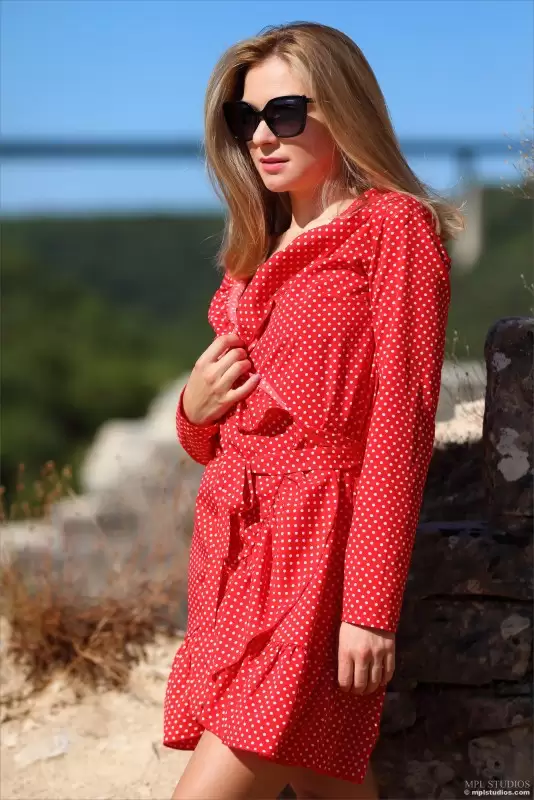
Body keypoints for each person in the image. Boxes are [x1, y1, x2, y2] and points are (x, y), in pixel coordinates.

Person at [162, 20, 465, 800]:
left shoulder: (393, 228)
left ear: (343, 109)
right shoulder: (256, 245)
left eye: (286, 112)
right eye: (245, 118)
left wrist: (368, 607)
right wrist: (193, 411)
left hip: (317, 554)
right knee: (318, 775)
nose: (262, 136)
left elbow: (401, 426)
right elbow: (220, 438)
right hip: (233, 550)